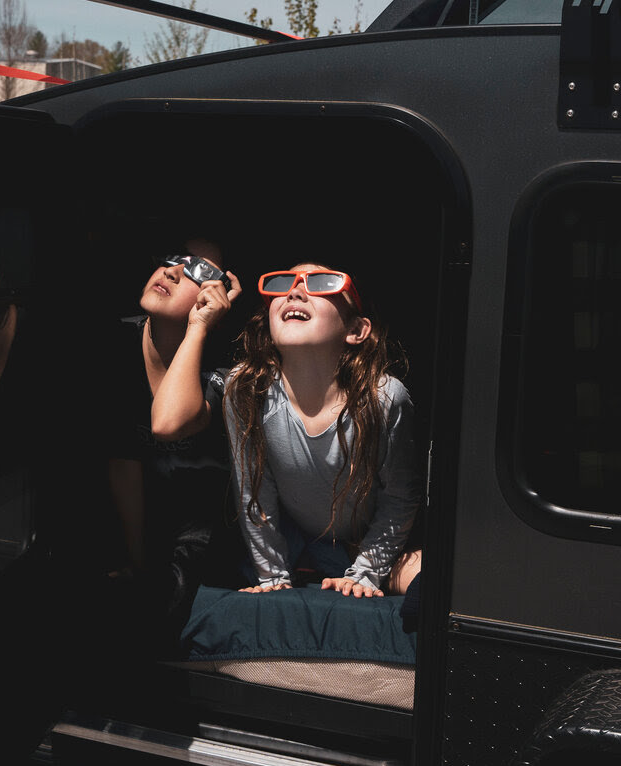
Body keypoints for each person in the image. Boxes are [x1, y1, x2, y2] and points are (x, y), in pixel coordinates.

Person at [223, 264, 423, 598]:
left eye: (322, 284)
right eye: (284, 282)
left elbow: (400, 497)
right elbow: (254, 491)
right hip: (294, 542)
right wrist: (273, 577)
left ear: (356, 330)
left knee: (430, 578)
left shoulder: (383, 398)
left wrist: (365, 572)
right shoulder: (246, 388)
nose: (296, 291)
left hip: (372, 545)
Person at [105, 241, 242, 611]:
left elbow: (168, 423)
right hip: (126, 523)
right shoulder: (114, 343)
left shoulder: (228, 367)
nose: (172, 271)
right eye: (173, 260)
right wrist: (136, 562)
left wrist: (198, 327)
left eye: (200, 271)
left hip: (202, 536)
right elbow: (122, 459)